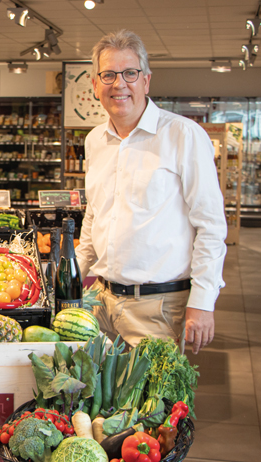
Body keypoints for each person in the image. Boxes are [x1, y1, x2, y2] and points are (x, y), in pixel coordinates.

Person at [76, 30, 227, 355]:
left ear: (146, 80)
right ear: (95, 84)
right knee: (91, 403)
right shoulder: (94, 141)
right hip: (98, 303)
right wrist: (72, 274)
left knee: (152, 404)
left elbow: (211, 226)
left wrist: (202, 301)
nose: (120, 84)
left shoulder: (183, 135)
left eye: (130, 73)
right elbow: (94, 216)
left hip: (158, 307)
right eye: (109, 75)